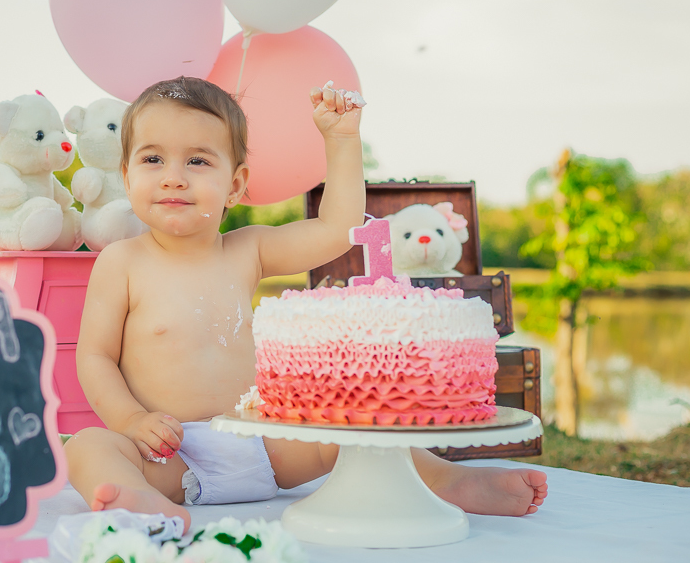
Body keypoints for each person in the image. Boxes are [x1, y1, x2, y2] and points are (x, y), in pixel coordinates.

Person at [64, 76, 547, 531]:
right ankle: (134, 496)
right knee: (88, 446)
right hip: (170, 456)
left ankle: (448, 479)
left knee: (352, 425)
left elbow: (335, 231)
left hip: (265, 443)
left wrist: (341, 142)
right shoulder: (122, 262)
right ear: (126, 175)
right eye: (152, 160)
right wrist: (131, 422)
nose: (173, 178)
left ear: (234, 184)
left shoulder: (246, 251)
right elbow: (95, 356)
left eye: (197, 161)